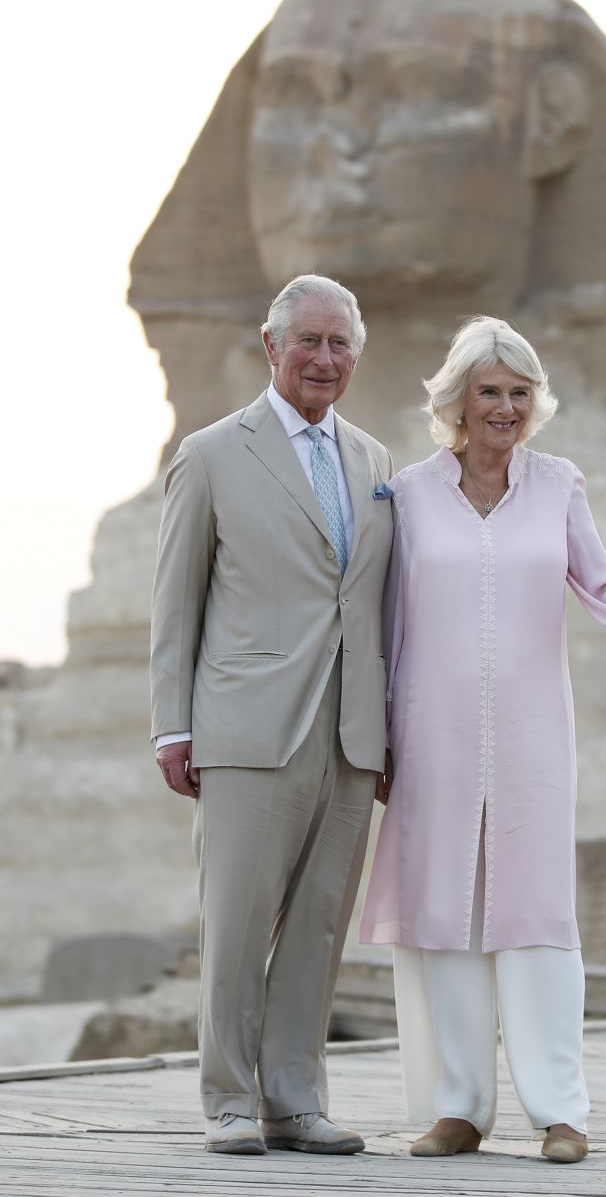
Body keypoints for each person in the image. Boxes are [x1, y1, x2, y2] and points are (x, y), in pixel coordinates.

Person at [360, 316, 606, 1164]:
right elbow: (385, 620)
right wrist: (377, 734)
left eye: (520, 392)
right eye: (489, 390)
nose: (506, 406)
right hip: (431, 735)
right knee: (441, 913)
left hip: (531, 741)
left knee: (536, 920)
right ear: (457, 400)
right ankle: (457, 1109)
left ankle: (561, 1113)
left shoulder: (559, 484)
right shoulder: (407, 493)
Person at [150, 274, 393, 1157]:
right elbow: (176, 603)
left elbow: (376, 604)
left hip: (351, 731)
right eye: (309, 342)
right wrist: (171, 727)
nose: (324, 359)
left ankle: (295, 1101)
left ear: (354, 357)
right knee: (237, 921)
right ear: (272, 346)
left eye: (339, 346)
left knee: (319, 926)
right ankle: (226, 1099)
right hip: (249, 723)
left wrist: (390, 725)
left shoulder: (375, 462)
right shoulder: (213, 454)